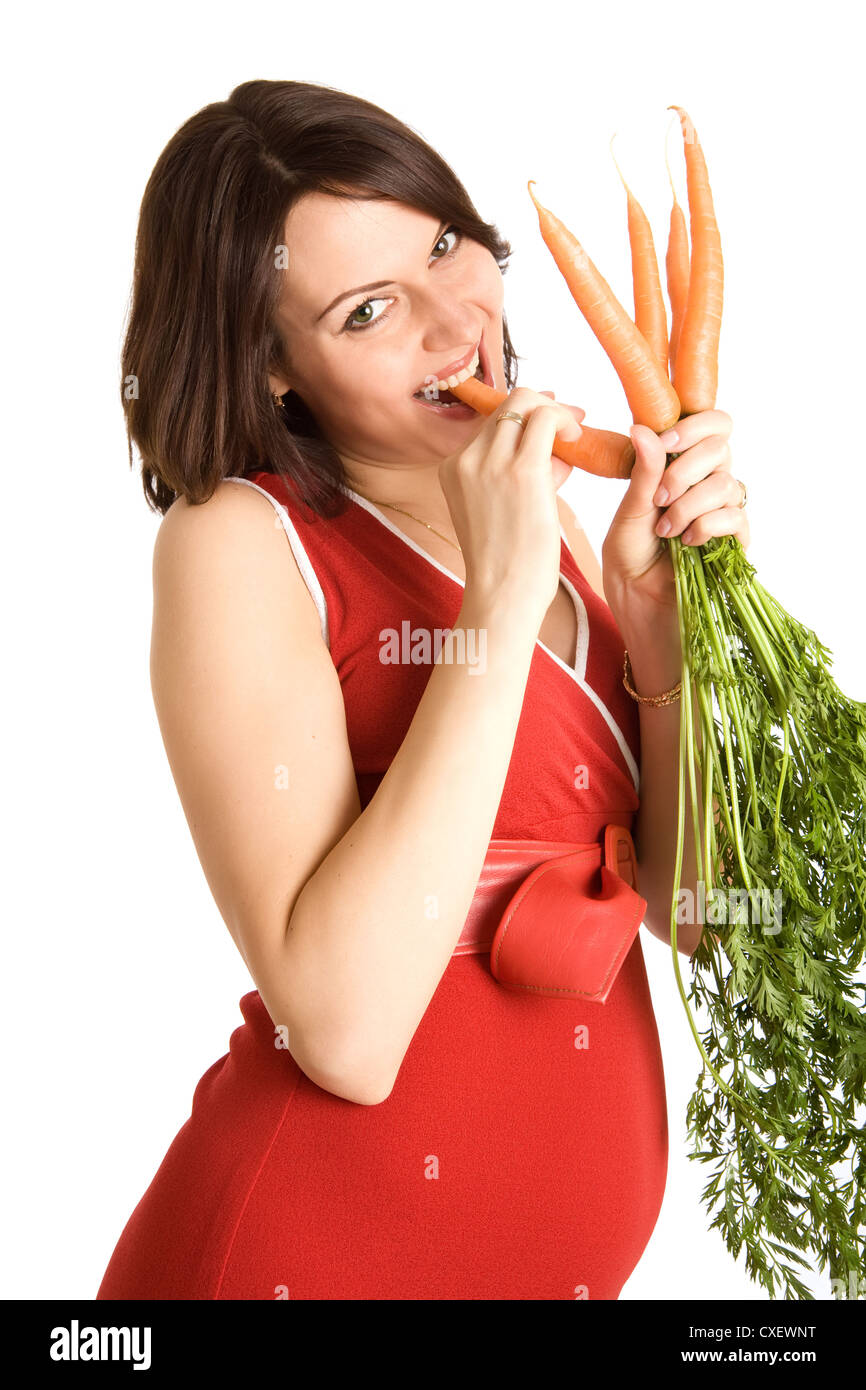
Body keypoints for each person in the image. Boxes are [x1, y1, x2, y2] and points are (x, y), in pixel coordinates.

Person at [96, 79, 750, 1301]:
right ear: (273, 372)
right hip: (298, 1260)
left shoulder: (534, 503)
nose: (456, 322)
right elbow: (343, 1032)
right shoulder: (238, 542)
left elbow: (698, 908)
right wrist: (495, 609)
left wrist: (664, 640)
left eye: (443, 242)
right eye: (368, 309)